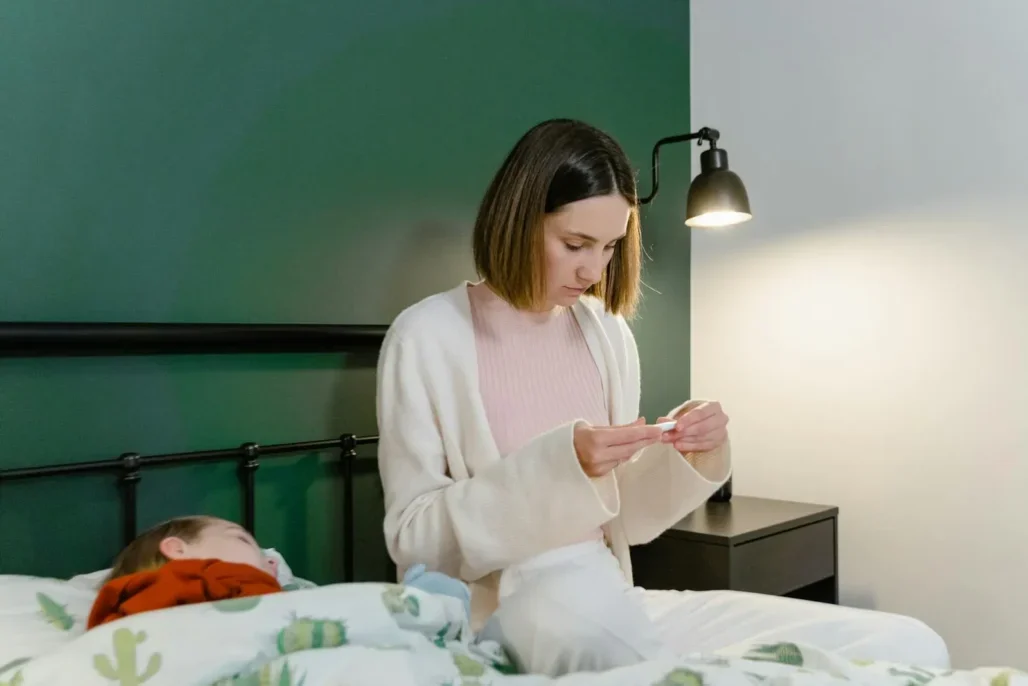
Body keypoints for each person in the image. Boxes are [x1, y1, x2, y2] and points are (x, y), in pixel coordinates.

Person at [375, 118, 949, 676]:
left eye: (608, 247)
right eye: (575, 243)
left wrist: (686, 450)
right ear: (520, 219)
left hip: (611, 593)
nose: (593, 270)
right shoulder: (427, 336)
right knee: (587, 625)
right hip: (509, 604)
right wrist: (560, 466)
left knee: (902, 641)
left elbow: (627, 522)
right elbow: (414, 540)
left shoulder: (605, 334)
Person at [87, 515, 473, 629]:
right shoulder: (169, 595)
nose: (271, 561)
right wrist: (416, 602)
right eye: (242, 540)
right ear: (177, 550)